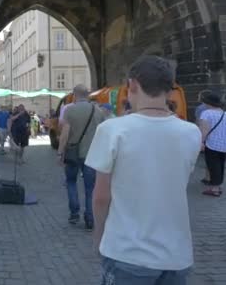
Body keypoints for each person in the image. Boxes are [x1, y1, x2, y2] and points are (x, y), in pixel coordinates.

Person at [86, 55, 202, 284]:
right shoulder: (191, 133)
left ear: (133, 85)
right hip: (176, 255)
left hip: (127, 252)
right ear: (170, 90)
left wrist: (99, 237)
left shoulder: (112, 130)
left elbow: (101, 196)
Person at [57, 84, 104, 230]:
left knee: (71, 182)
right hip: (92, 154)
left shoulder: (69, 110)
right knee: (90, 188)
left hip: (73, 153)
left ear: (74, 95)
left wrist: (60, 152)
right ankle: (90, 219)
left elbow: (65, 133)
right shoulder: (98, 111)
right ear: (88, 95)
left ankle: (74, 214)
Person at [199, 92, 226, 197]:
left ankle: (214, 189)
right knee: (220, 166)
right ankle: (218, 186)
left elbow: (204, 130)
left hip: (212, 144)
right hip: (224, 144)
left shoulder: (206, 113)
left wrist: (201, 142)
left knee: (213, 166)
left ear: (207, 103)